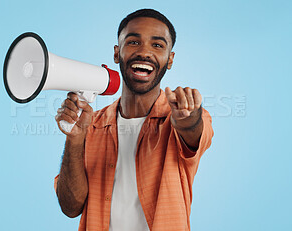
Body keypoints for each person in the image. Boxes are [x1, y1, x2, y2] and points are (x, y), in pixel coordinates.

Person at [54, 9, 214, 231]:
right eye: (133, 42)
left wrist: (187, 117)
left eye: (157, 45)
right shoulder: (91, 125)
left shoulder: (178, 116)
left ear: (170, 59)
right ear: (116, 53)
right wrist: (75, 139)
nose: (144, 53)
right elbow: (70, 207)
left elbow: (192, 128)